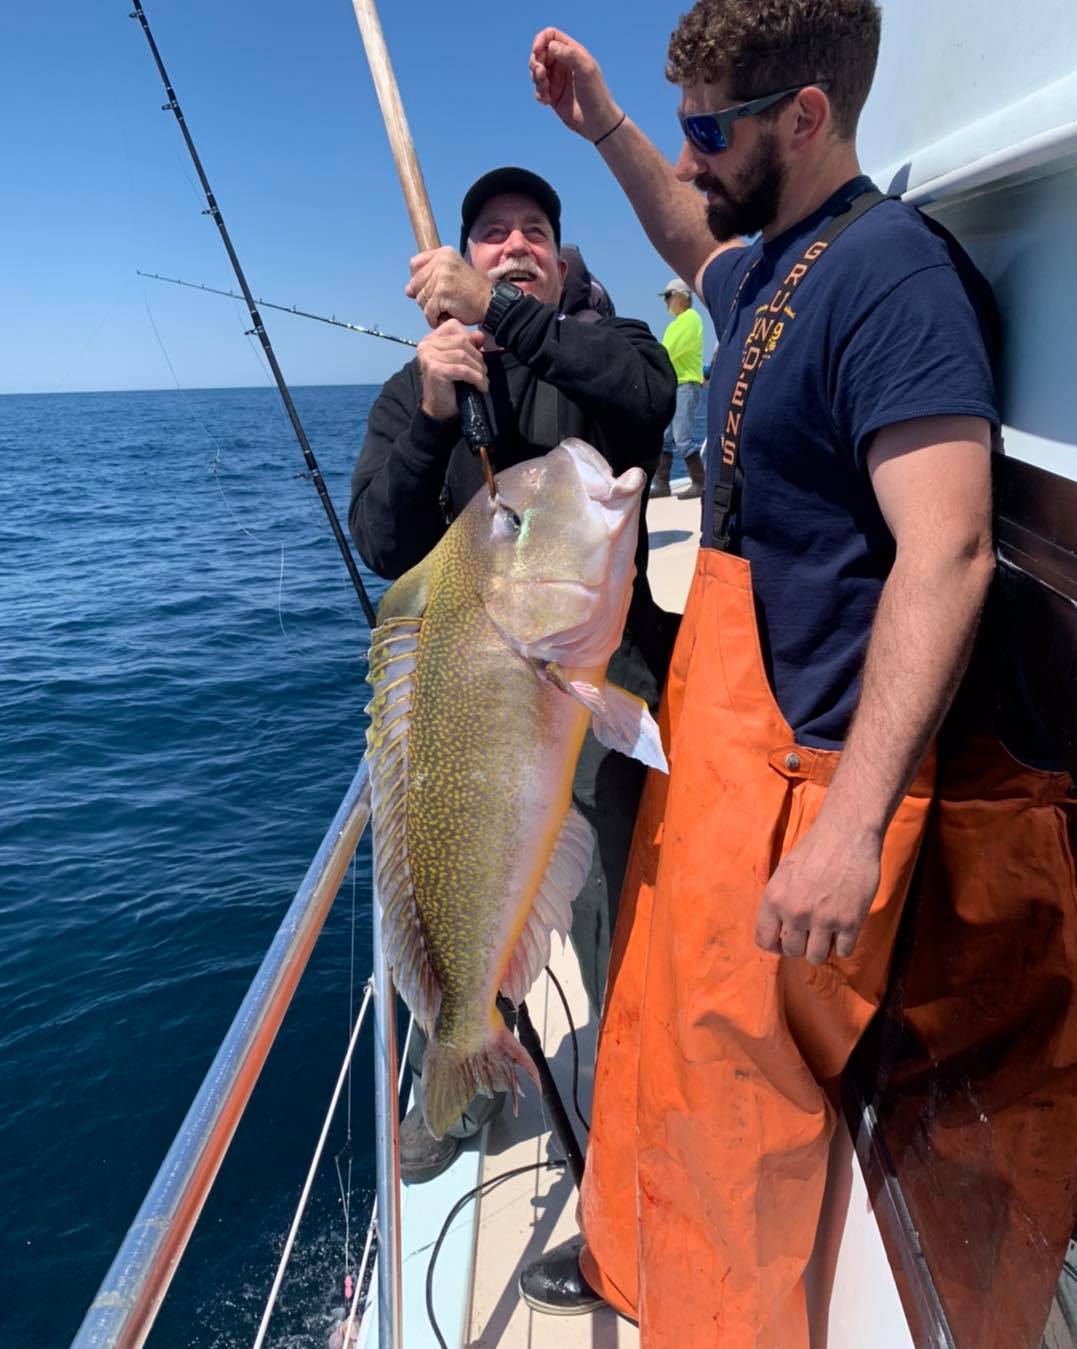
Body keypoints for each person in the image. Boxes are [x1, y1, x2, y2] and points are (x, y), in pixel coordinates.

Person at [521, 3, 999, 1340]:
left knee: (739, 1112)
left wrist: (848, 832)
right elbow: (692, 241)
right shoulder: (782, 263)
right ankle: (639, 1269)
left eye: (706, 130)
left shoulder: (892, 277)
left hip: (803, 781)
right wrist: (604, 122)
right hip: (719, 758)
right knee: (663, 1046)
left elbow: (948, 549)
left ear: (805, 117)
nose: (687, 158)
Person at [349, 167, 676, 1184]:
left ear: (560, 252)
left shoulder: (602, 345)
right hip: (469, 674)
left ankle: (629, 1125)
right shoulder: (419, 384)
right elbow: (381, 541)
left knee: (608, 901)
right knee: (456, 867)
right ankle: (463, 1059)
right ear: (460, 252)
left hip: (597, 657)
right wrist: (439, 408)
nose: (516, 243)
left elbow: (649, 395)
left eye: (535, 229)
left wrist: (506, 317)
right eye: (493, 234)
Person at [652, 278, 706, 498]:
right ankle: (662, 484)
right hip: (674, 386)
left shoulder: (690, 319)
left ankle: (699, 482)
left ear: (680, 296)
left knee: (682, 437)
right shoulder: (677, 323)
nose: (665, 302)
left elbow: (667, 352)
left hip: (685, 386)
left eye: (667, 297)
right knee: (664, 438)